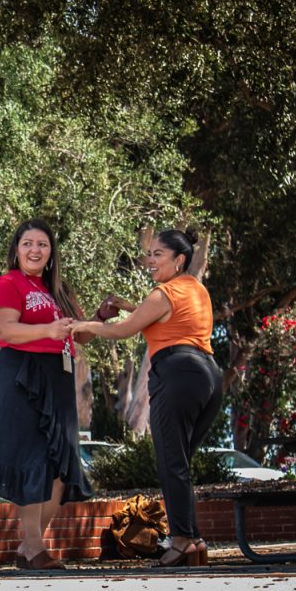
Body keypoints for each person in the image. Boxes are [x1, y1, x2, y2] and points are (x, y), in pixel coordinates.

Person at [71, 229, 221, 568]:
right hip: (209, 375)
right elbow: (156, 317)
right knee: (177, 461)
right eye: (149, 254)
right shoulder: (195, 289)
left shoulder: (163, 292)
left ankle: (182, 539)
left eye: (158, 255)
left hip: (178, 372)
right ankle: (193, 540)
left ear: (179, 259)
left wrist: (83, 325)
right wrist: (126, 305)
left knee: (171, 460)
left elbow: (123, 330)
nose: (149, 261)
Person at [0, 218, 93, 570]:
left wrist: (98, 319)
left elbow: (78, 336)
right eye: (28, 243)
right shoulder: (7, 283)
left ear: (51, 253)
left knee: (61, 467)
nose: (35, 250)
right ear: (16, 250)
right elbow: (6, 332)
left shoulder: (58, 289)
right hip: (23, 376)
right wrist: (48, 328)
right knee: (31, 462)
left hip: (59, 378)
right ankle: (34, 546)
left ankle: (31, 545)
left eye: (42, 244)